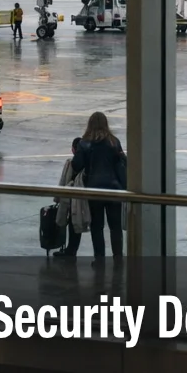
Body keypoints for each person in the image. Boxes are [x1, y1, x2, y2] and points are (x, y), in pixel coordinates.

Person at [69, 112, 126, 263]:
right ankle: (118, 256)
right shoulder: (114, 142)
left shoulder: (85, 143)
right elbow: (121, 163)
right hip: (114, 188)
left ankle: (99, 257)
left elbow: (76, 165)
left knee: (97, 225)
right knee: (115, 226)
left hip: (94, 189)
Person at [51, 137, 91, 258]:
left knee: (69, 221)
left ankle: (70, 250)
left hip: (70, 199)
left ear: (73, 150)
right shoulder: (89, 166)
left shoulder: (70, 164)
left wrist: (57, 199)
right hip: (85, 200)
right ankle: (72, 249)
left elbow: (63, 182)